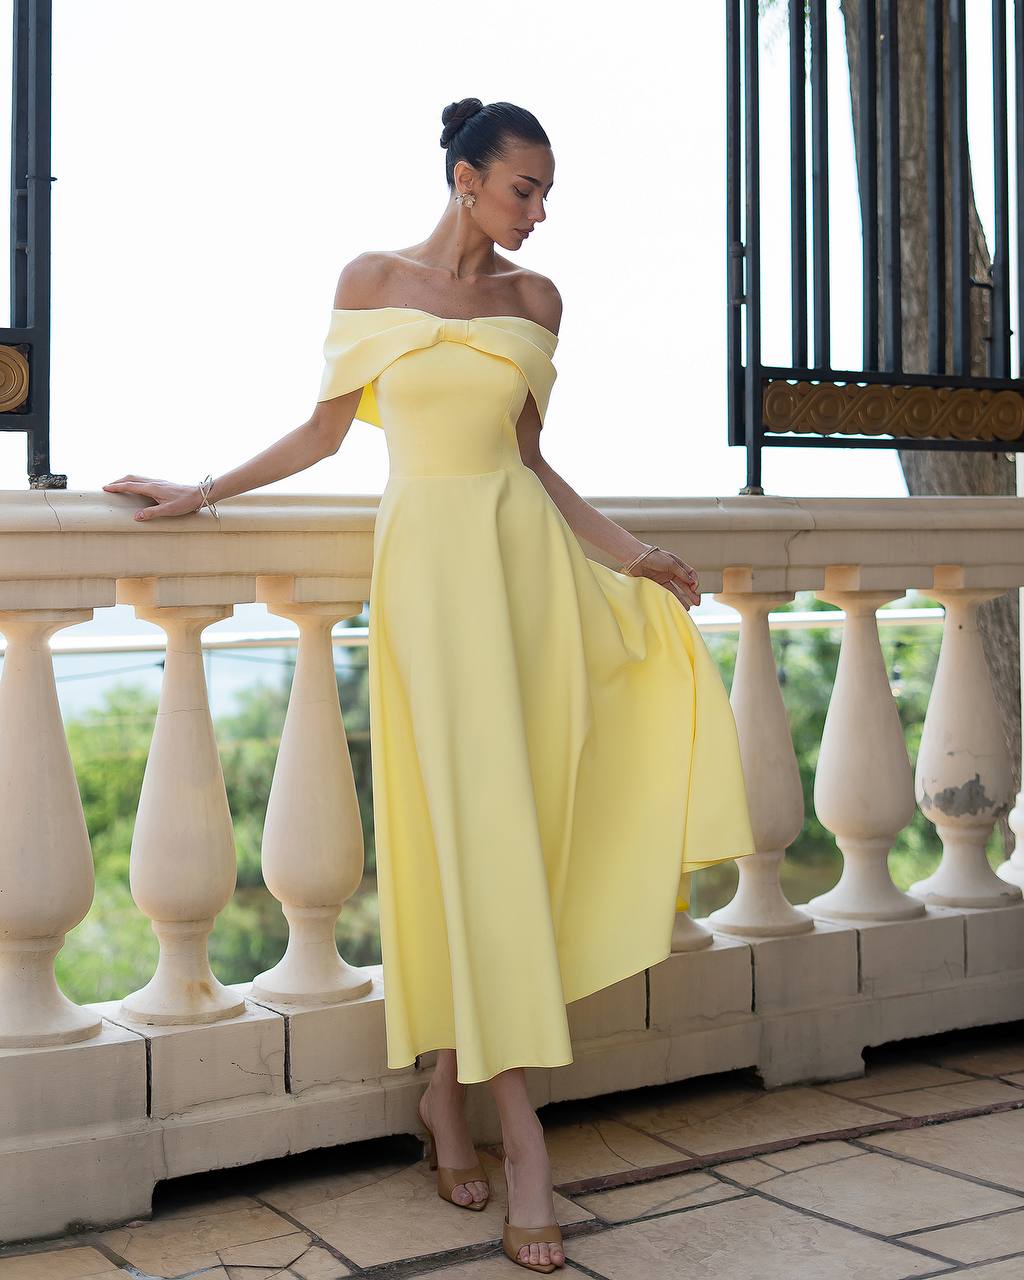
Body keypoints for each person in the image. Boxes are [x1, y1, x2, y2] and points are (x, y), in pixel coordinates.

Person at [104, 96, 756, 1274]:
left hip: (525, 586)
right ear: (466, 178)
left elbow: (530, 461)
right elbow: (320, 435)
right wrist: (198, 493)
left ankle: (448, 1098)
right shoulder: (370, 279)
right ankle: (519, 1139)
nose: (539, 211)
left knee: (506, 840)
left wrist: (635, 556)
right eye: (523, 188)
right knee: (462, 838)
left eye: (546, 192)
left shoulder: (536, 301)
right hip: (426, 590)